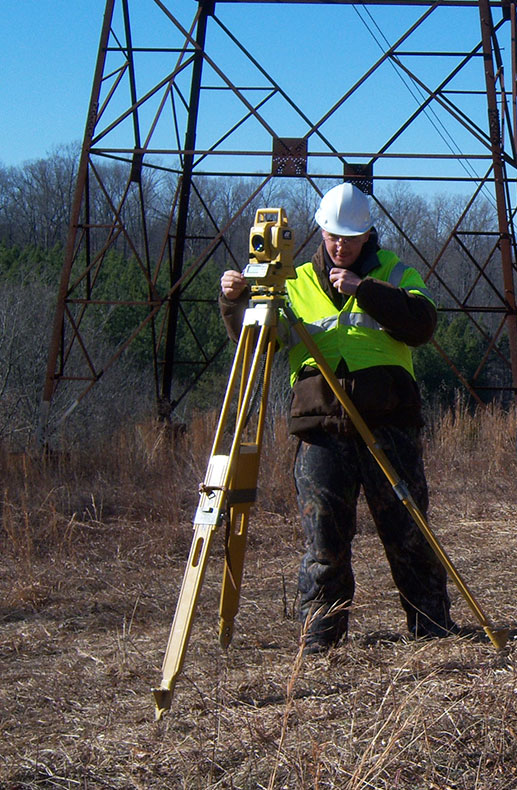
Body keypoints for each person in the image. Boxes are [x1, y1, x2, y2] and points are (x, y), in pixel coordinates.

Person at [219, 182, 456, 652]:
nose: (340, 245)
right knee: (324, 544)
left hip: (388, 423)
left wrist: (365, 290)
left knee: (408, 533)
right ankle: (320, 642)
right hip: (322, 429)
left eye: (350, 236)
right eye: (332, 235)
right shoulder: (295, 281)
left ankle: (432, 631)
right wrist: (236, 302)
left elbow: (422, 324)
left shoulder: (395, 271)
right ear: (321, 232)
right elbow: (263, 345)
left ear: (368, 235)